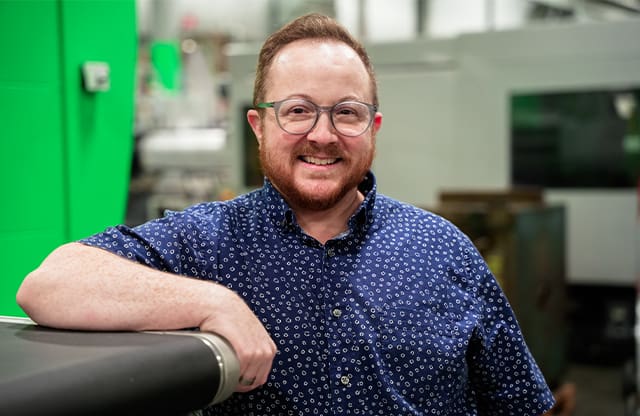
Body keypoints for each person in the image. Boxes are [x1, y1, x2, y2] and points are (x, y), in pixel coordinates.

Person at [17, 13, 555, 415]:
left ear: (374, 127)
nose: (322, 134)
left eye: (347, 112)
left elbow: (518, 403)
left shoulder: (444, 249)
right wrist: (212, 301)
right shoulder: (207, 244)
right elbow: (49, 284)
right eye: (297, 110)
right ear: (258, 125)